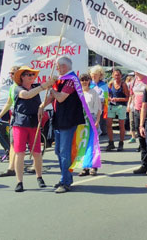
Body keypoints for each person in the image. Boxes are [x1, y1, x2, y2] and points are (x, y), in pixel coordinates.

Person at [39, 56, 85, 194]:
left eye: (57, 66)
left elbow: (60, 97)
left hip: (68, 120)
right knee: (58, 151)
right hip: (59, 119)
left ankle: (66, 182)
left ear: (64, 66)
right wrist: (41, 106)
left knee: (64, 152)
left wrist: (51, 87)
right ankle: (65, 177)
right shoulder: (61, 80)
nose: (56, 68)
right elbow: (52, 97)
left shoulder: (71, 80)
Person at [9, 66, 54, 192]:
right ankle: (19, 181)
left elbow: (50, 89)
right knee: (20, 153)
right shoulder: (17, 88)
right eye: (28, 75)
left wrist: (52, 82)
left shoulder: (36, 86)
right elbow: (27, 95)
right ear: (22, 77)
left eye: (32, 75)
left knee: (37, 152)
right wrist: (44, 86)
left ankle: (39, 177)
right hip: (20, 123)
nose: (31, 77)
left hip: (34, 122)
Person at [128, 72, 147, 176]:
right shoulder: (134, 80)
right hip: (136, 111)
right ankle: (144, 164)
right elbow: (132, 95)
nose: (136, 71)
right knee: (141, 139)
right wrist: (130, 106)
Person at [79, 73, 101, 176]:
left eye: (86, 80)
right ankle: (85, 167)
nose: (84, 82)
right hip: (81, 120)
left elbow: (98, 109)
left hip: (91, 118)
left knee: (93, 144)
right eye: (82, 80)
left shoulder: (93, 93)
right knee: (83, 144)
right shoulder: (78, 93)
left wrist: (97, 121)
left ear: (89, 81)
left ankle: (94, 167)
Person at [106, 67, 130, 152]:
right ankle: (111, 142)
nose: (117, 77)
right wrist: (110, 98)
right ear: (112, 75)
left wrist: (118, 99)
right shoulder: (111, 83)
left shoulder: (123, 85)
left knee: (121, 125)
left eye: (118, 75)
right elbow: (107, 95)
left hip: (121, 106)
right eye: (115, 75)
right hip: (112, 105)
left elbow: (127, 97)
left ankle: (121, 142)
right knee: (108, 124)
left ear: (121, 75)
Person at [89, 65, 109, 140]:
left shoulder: (104, 85)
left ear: (100, 75)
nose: (93, 76)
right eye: (92, 74)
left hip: (99, 109)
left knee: (97, 127)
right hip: (90, 109)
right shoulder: (89, 84)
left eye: (95, 75)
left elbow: (105, 97)